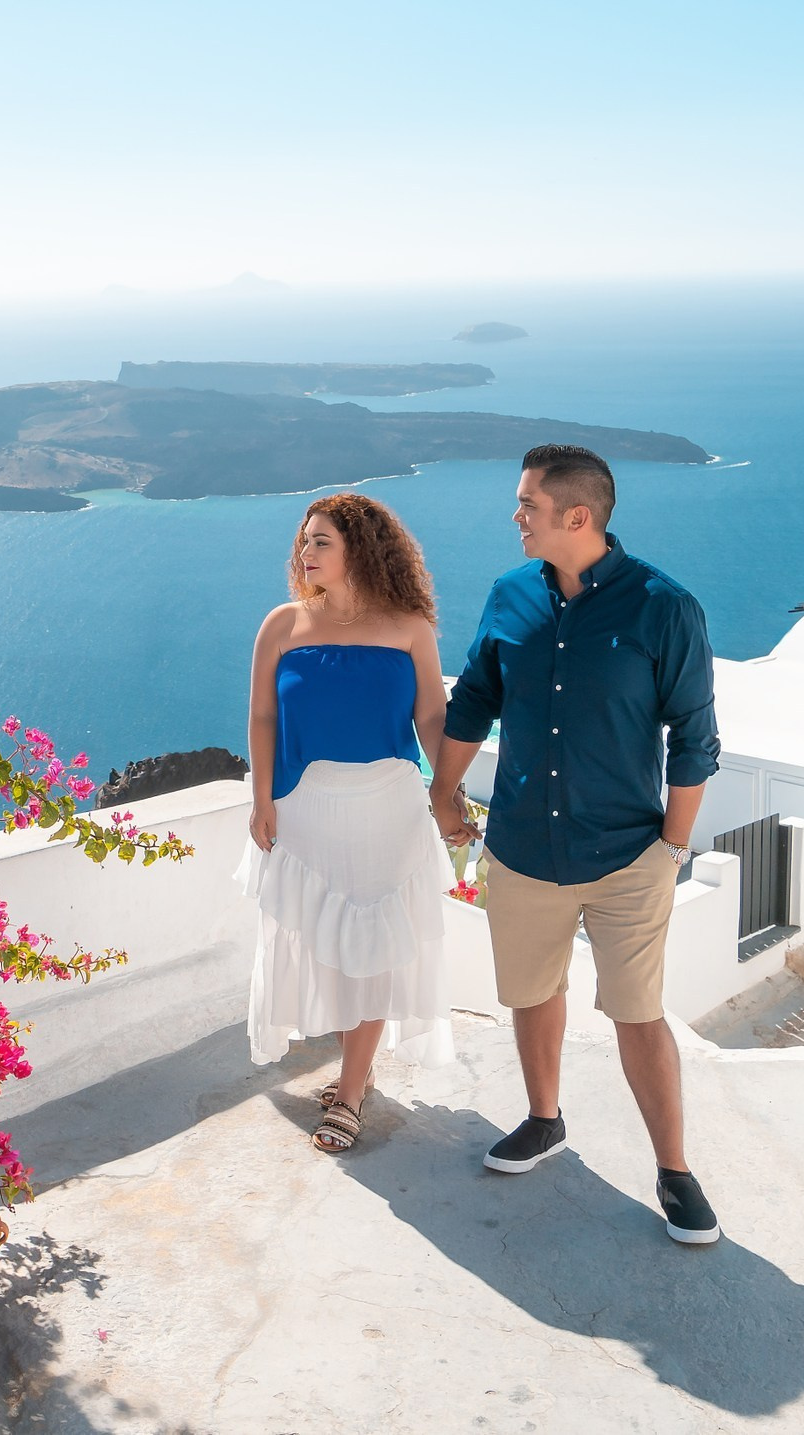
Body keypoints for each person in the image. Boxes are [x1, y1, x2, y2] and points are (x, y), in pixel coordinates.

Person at [428, 444, 724, 1245]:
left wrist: (673, 844)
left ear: (578, 517)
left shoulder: (665, 608)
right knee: (531, 991)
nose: (516, 517)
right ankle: (543, 1119)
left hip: (629, 856)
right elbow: (474, 703)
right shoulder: (509, 595)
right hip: (523, 845)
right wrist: (442, 789)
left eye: (528, 505)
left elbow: (696, 740)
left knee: (637, 1014)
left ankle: (674, 1170)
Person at [239, 492, 457, 1153]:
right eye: (304, 541)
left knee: (373, 951)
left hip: (386, 808)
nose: (305, 552)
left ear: (360, 548)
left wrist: (450, 789)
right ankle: (354, 1066)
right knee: (323, 947)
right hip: (304, 807)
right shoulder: (281, 625)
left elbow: (432, 719)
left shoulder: (410, 626)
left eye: (321, 541)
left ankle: (353, 1086)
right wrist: (261, 797)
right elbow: (263, 719)